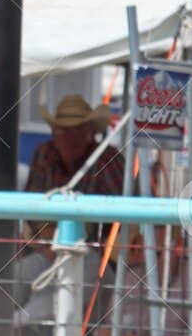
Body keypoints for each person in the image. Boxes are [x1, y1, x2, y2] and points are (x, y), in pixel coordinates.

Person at [26, 93, 124, 246]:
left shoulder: (107, 159)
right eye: (63, 130)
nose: (70, 137)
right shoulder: (44, 154)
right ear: (53, 133)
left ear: (91, 133)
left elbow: (123, 216)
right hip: (46, 245)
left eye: (78, 130)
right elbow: (31, 206)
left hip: (100, 251)